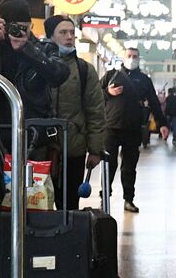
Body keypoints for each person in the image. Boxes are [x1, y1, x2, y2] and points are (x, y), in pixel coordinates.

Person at [0, 0, 70, 154]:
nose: (20, 32)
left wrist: (27, 49)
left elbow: (59, 75)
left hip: (33, 135)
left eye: (25, 27)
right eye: (15, 27)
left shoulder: (44, 49)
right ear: (2, 24)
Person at [43, 15, 105, 211]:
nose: (69, 37)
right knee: (38, 200)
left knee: (69, 203)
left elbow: (95, 111)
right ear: (50, 37)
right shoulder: (38, 67)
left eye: (72, 33)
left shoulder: (84, 70)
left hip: (74, 147)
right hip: (42, 146)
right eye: (63, 32)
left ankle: (68, 239)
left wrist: (95, 150)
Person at [101, 47, 169, 213]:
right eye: (129, 56)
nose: (132, 59)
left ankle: (128, 199)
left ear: (139, 59)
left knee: (129, 166)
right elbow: (95, 95)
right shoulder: (111, 75)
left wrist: (162, 124)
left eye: (135, 56)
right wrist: (108, 92)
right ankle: (104, 197)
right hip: (111, 127)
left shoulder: (144, 80)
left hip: (133, 128)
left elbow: (154, 102)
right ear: (123, 57)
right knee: (109, 164)